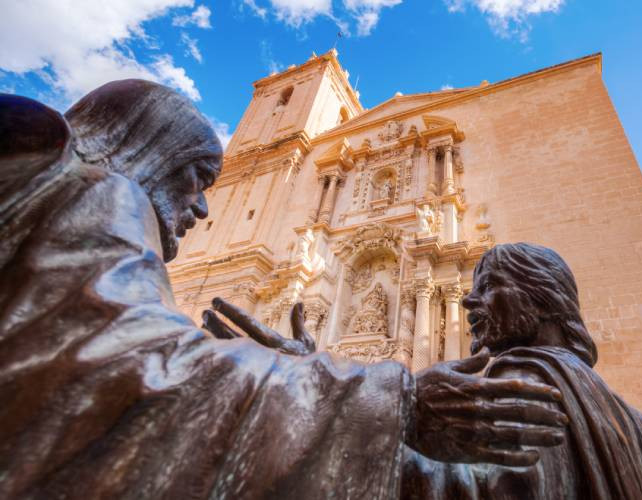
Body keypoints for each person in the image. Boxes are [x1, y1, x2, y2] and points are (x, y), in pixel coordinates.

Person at [0, 82, 566, 499]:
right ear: (146, 150)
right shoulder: (96, 195)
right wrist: (395, 402)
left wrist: (304, 368)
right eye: (197, 178)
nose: (202, 208)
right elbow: (124, 370)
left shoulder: (49, 188)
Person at [401, 243, 642, 500]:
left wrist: (399, 418)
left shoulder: (519, 388)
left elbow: (478, 488)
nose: (469, 301)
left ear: (543, 299)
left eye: (488, 285)